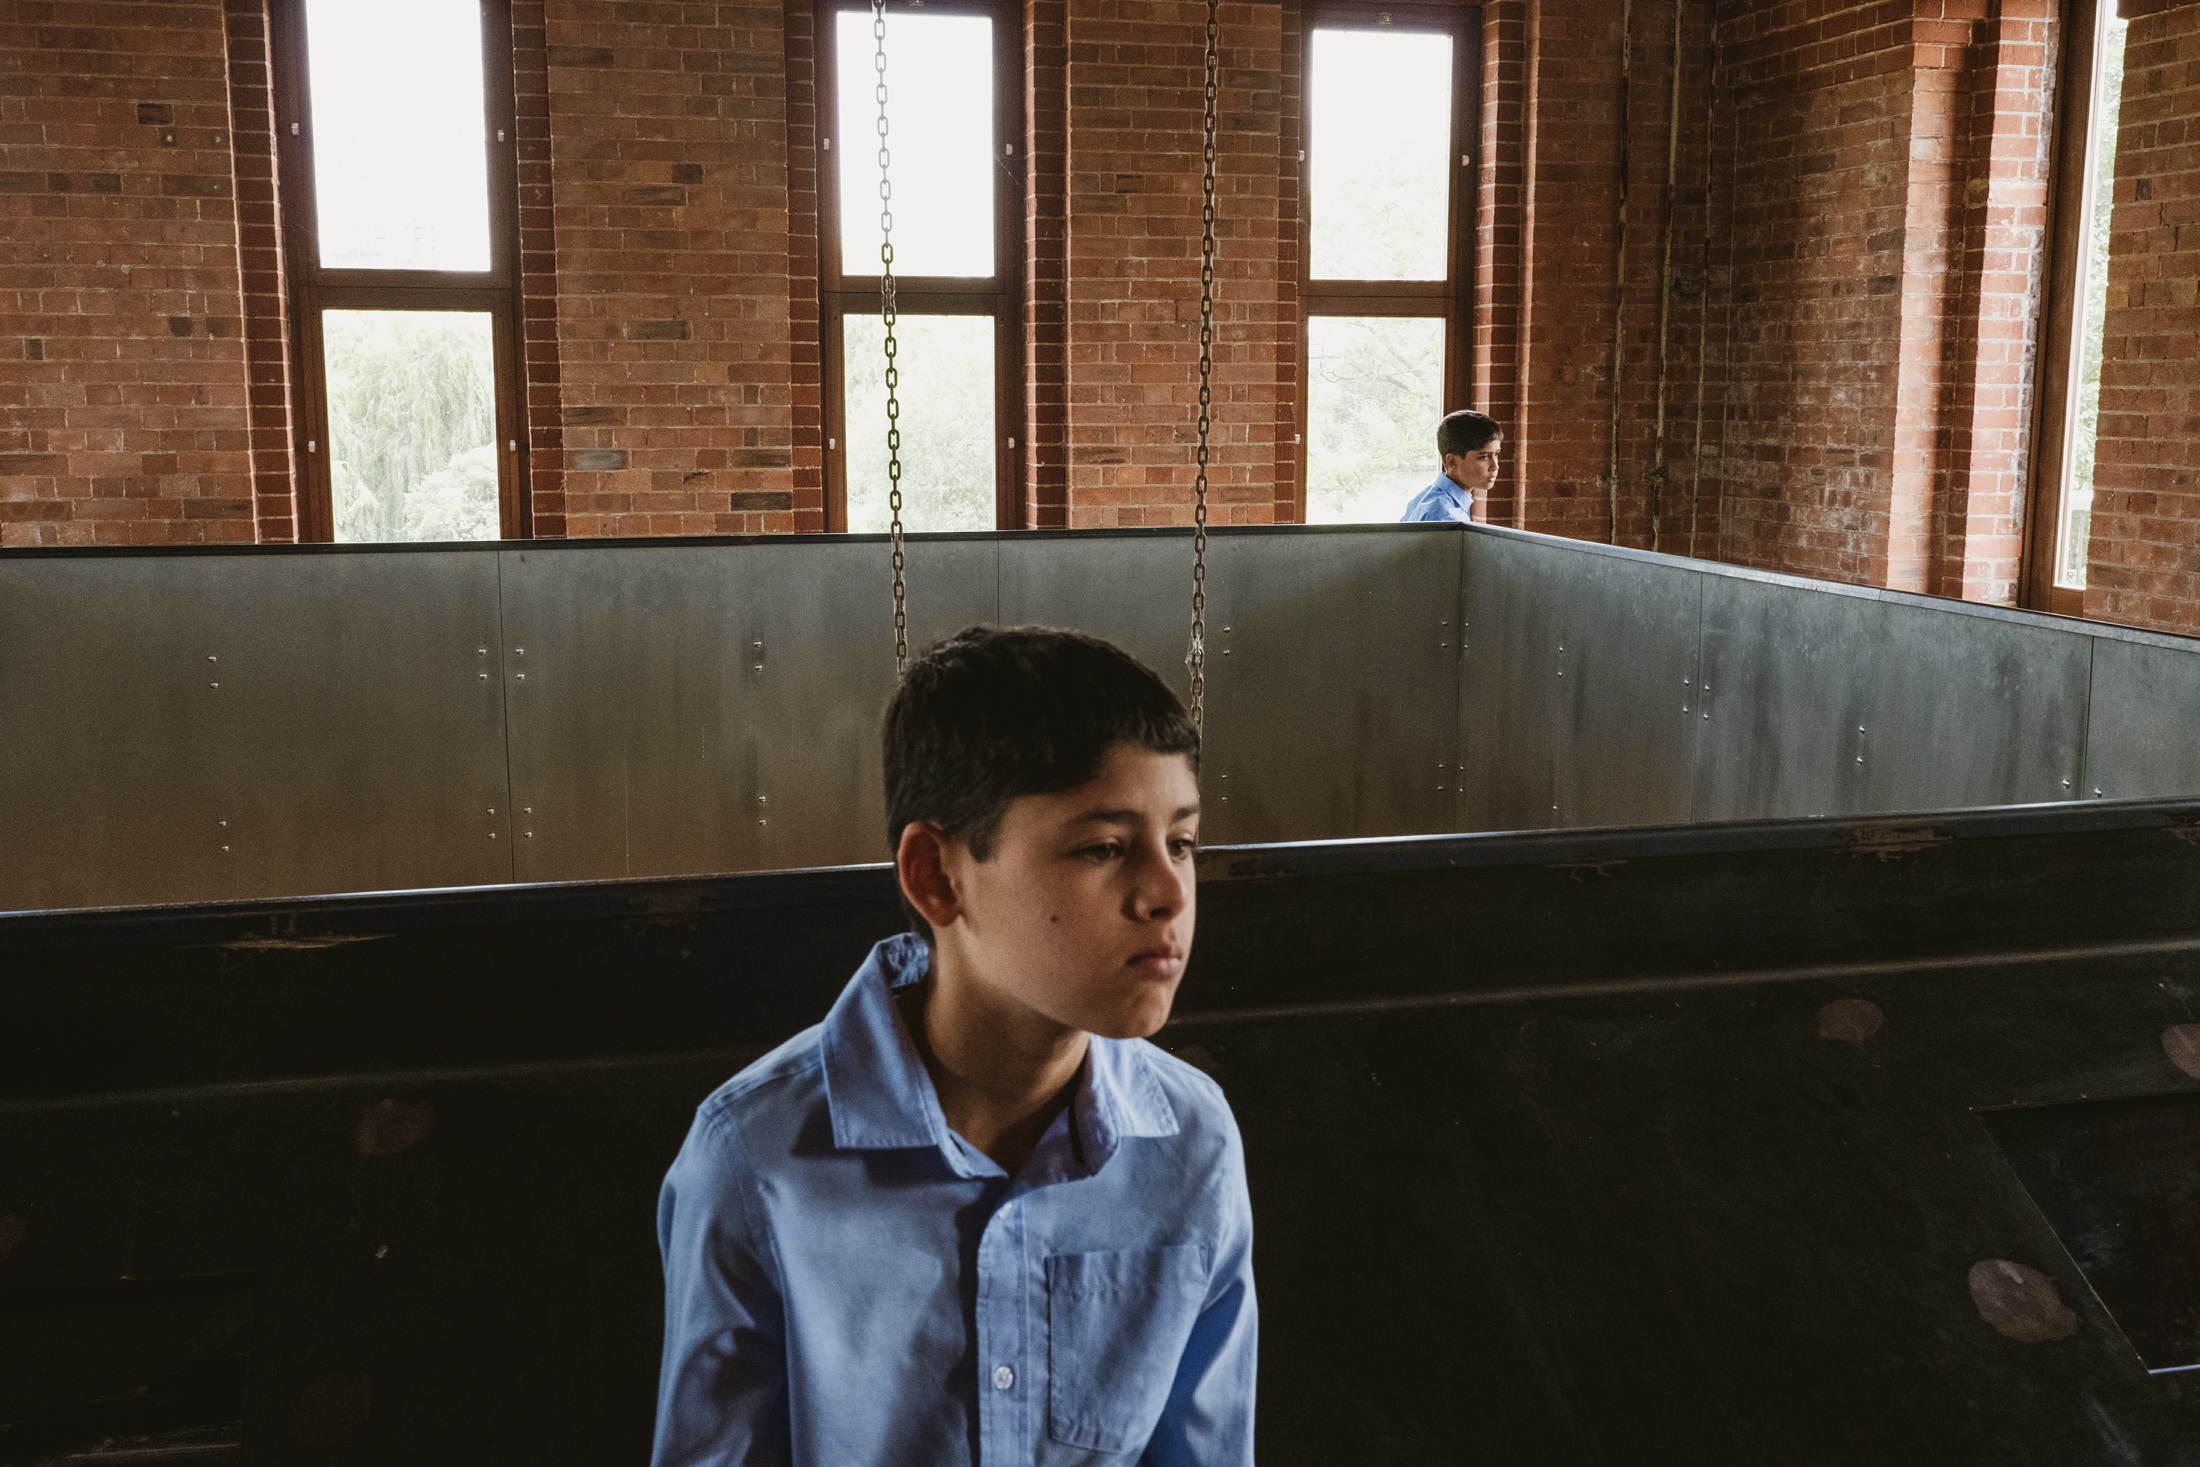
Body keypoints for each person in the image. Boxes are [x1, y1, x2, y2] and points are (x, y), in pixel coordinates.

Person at [651, 626, 1257, 1467]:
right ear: (937, 876)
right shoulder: (756, 1162)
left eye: (1181, 843)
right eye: (1104, 848)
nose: (1166, 893)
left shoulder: (1191, 1139)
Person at [1400, 408, 1502, 523]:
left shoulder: (1422, 498)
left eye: (1497, 454)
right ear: (1452, 461)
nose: (1495, 466)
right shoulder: (1446, 516)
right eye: (1484, 457)